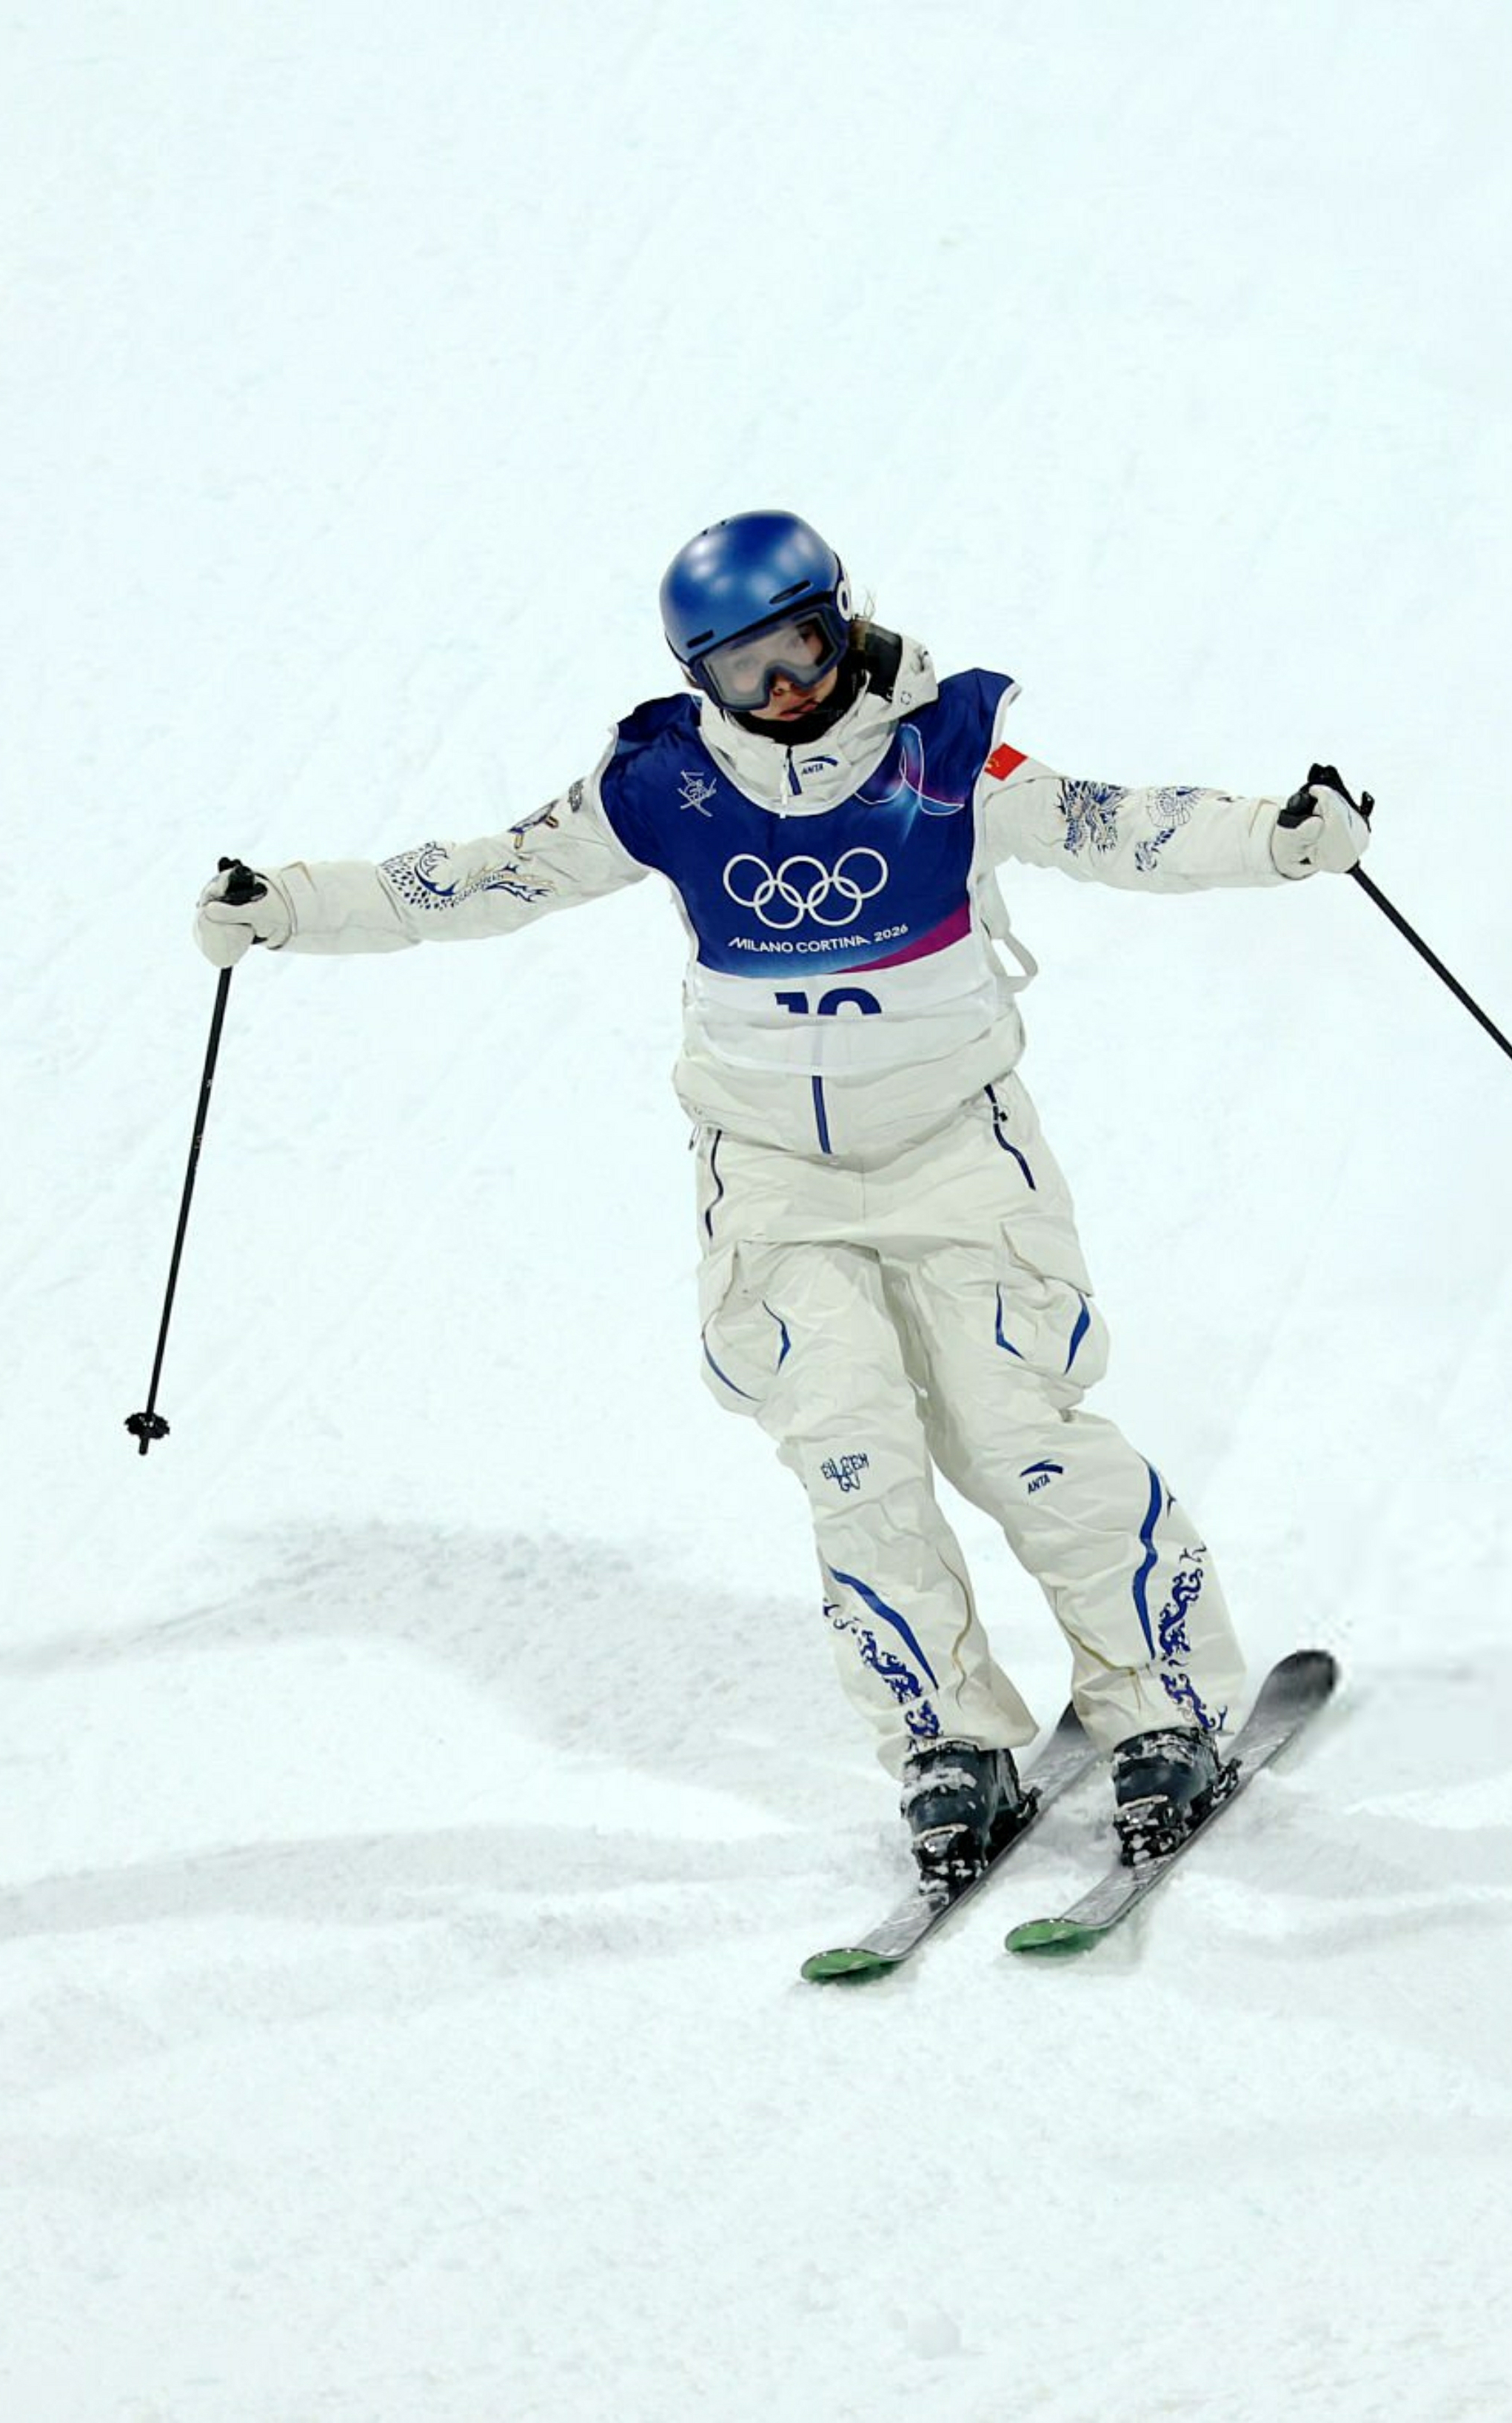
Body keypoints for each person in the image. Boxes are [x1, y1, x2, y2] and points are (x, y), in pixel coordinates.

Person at [193, 510, 1371, 1885]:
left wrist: (1277, 839)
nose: (783, 691)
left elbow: (1119, 826)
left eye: (798, 648)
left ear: (840, 616)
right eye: (741, 672)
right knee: (852, 1457)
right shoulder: (661, 786)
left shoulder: (947, 752)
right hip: (770, 1179)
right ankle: (946, 1743)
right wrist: (287, 905)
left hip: (952, 1156)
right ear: (700, 678)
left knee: (1018, 1438)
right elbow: (483, 875)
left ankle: (1163, 1708)